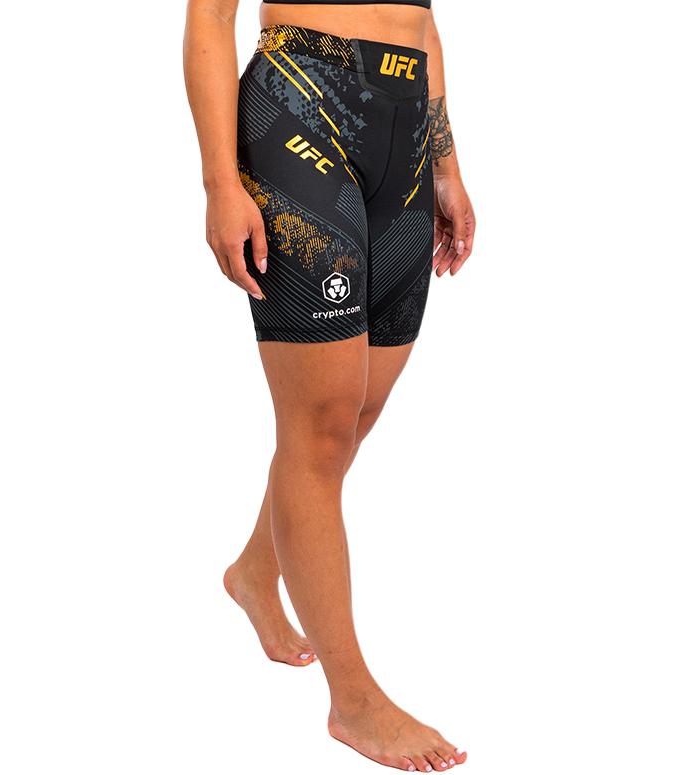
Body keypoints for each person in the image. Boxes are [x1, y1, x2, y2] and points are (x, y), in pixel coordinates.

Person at [184, 0, 476, 770]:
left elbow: (424, 23)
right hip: (300, 103)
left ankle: (256, 570)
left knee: (358, 409)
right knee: (318, 427)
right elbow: (210, 16)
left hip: (403, 126)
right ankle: (354, 701)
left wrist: (445, 167)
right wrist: (219, 183)